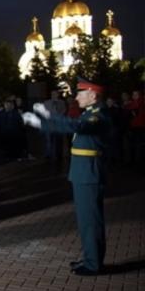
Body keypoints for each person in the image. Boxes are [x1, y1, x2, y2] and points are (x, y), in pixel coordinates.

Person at [24, 78, 112, 276]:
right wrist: (46, 119)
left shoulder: (99, 115)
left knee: (90, 220)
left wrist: (44, 118)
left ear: (92, 95)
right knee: (85, 220)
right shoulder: (90, 113)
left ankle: (93, 264)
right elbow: (75, 125)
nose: (77, 97)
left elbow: (77, 127)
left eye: (81, 93)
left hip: (89, 173)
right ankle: (90, 258)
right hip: (83, 172)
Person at [43, 90, 67, 161]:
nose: (53, 95)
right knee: (48, 140)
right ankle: (48, 155)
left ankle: (59, 154)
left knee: (59, 140)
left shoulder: (62, 102)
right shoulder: (46, 102)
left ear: (58, 95)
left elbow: (64, 111)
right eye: (52, 94)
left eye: (55, 94)